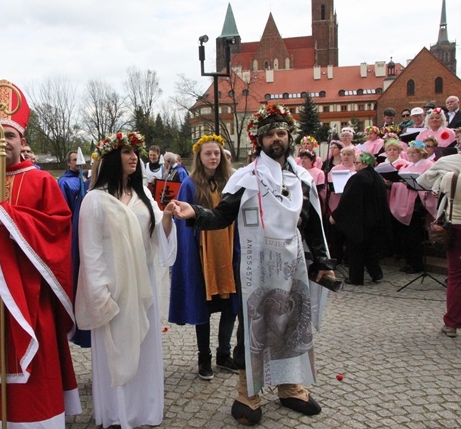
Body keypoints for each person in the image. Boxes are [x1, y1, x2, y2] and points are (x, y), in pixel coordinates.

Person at [171, 104, 335, 425]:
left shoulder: (300, 178)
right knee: (255, 325)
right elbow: (221, 216)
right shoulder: (245, 179)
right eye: (270, 133)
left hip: (292, 265)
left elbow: (312, 225)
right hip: (254, 266)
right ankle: (247, 391)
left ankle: (288, 385)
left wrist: (323, 262)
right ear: (259, 139)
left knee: (290, 322)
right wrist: (196, 213)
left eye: (282, 132)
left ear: (289, 137)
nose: (277, 138)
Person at [0, 80, 81, 427]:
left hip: (33, 294)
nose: (3, 141)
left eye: (10, 134)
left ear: (22, 141)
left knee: (39, 373)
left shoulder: (42, 182)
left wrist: (13, 229)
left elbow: (58, 229)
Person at [75, 131, 176, 429]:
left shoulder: (144, 197)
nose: (134, 157)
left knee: (144, 350)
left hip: (143, 284)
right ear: (110, 158)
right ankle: (117, 414)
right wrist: (99, 295)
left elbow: (158, 234)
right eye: (126, 152)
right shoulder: (95, 200)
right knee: (116, 352)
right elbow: (90, 253)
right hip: (113, 289)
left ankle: (143, 411)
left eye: (136, 151)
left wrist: (168, 215)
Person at [169, 134, 238, 381]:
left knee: (231, 306)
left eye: (216, 153)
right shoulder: (190, 184)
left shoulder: (231, 181)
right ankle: (204, 357)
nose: (213, 157)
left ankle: (223, 353)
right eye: (208, 153)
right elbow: (183, 220)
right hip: (202, 254)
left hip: (229, 252)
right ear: (199, 157)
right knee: (204, 308)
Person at [417, 148, 461, 338]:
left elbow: (422, 181)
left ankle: (452, 323)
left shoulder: (448, 168)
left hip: (457, 226)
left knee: (456, 276)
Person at [331, 152, 392, 285]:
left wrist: (335, 215)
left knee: (356, 250)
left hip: (359, 220)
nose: (355, 165)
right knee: (369, 249)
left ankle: (356, 278)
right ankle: (376, 274)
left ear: (365, 164)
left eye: (357, 163)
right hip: (374, 220)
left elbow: (347, 200)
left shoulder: (358, 178)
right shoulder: (377, 177)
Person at [57, 150, 91, 348]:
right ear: (69, 163)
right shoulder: (64, 183)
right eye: (74, 161)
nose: (78, 165)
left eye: (80, 162)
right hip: (73, 233)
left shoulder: (86, 180)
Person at [389, 141, 437, 274]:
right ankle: (409, 262)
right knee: (406, 236)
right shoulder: (407, 165)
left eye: (414, 152)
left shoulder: (428, 165)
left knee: (414, 236)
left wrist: (411, 184)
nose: (411, 155)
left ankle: (417, 264)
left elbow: (429, 183)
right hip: (405, 203)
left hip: (417, 205)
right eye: (409, 152)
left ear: (421, 153)